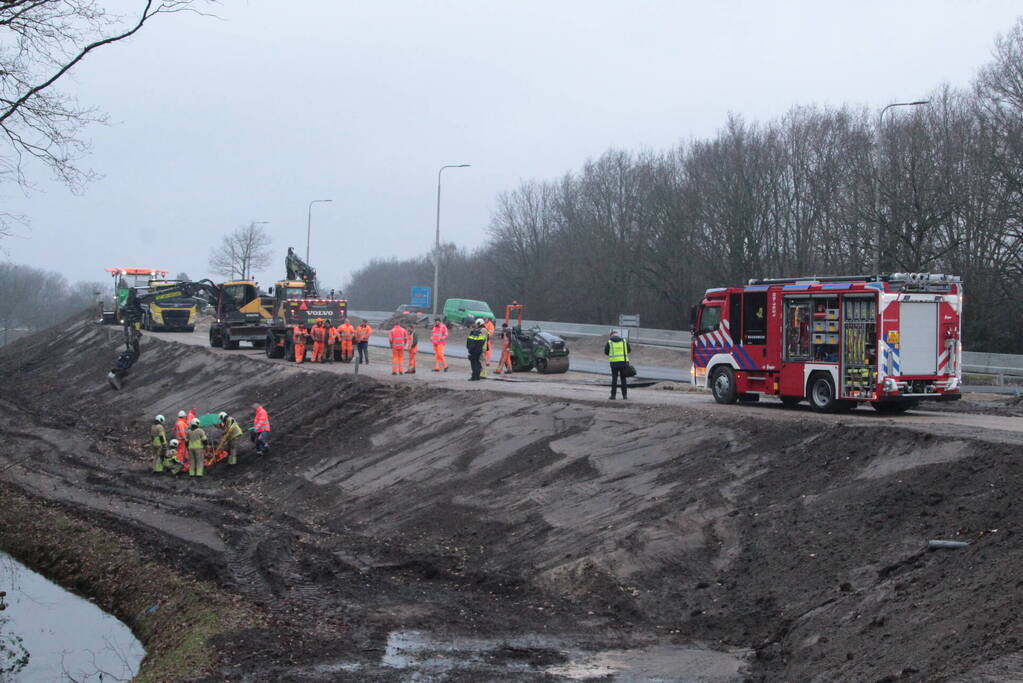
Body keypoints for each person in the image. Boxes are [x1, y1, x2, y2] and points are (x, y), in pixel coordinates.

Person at [604, 329, 633, 400]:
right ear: (618, 335)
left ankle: (613, 396)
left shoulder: (609, 342)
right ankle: (625, 396)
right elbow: (629, 350)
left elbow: (606, 352)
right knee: (623, 379)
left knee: (614, 379)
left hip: (614, 363)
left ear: (611, 336)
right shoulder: (624, 341)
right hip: (623, 363)